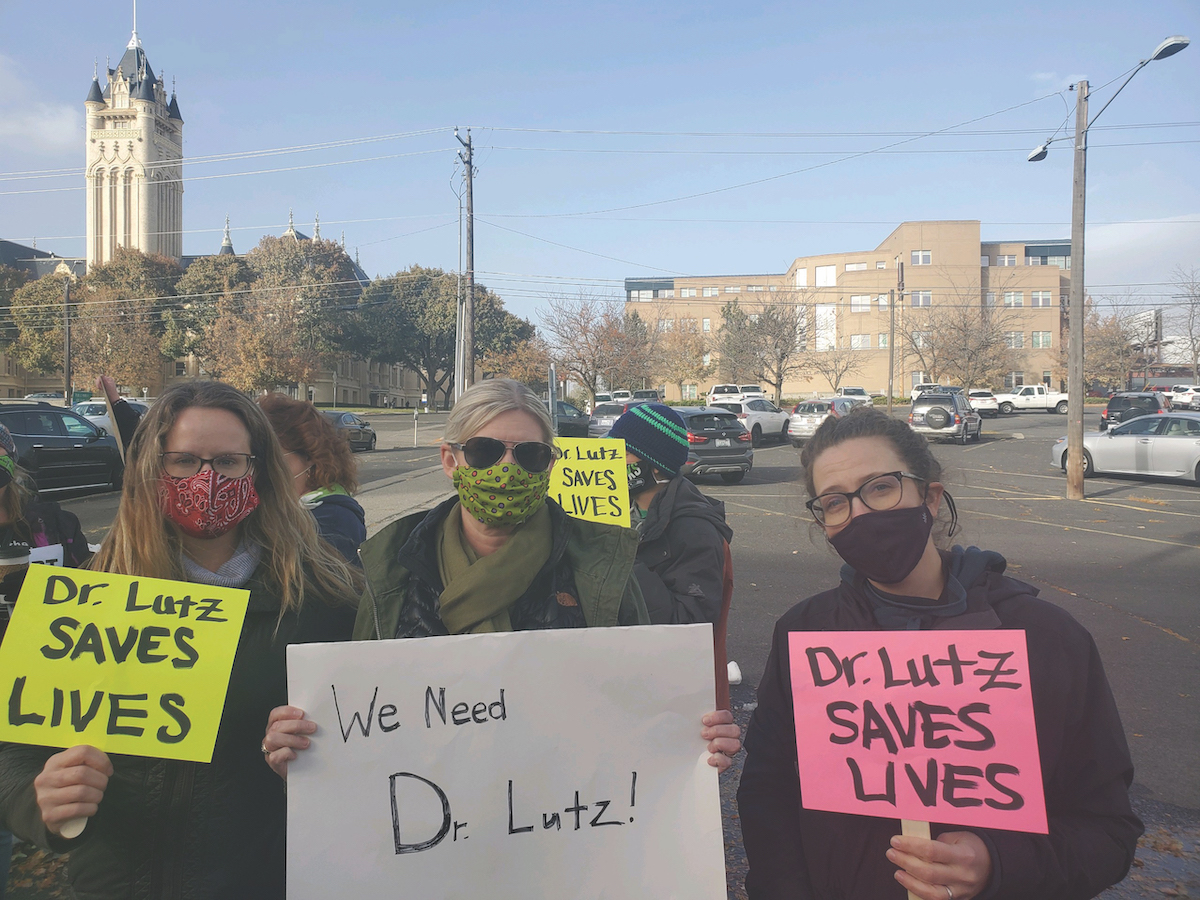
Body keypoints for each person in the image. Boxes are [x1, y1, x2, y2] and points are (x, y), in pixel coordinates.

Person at [737, 407, 1141, 900]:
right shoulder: (804, 632)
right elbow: (769, 793)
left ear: (929, 496)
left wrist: (999, 864)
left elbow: (1107, 833)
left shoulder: (1046, 638)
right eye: (836, 502)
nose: (860, 514)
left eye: (880, 487)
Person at [263, 378, 740, 776]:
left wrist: (690, 741)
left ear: (549, 465)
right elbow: (356, 723)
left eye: (529, 454)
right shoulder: (391, 567)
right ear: (450, 460)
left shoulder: (601, 567)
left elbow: (648, 699)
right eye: (485, 451)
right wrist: (309, 757)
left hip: (567, 819)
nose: (507, 468)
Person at [0, 381, 362, 900]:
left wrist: (315, 766)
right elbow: (12, 748)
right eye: (184, 461)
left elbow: (366, 753)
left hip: (263, 881)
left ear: (260, 469)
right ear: (151, 469)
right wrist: (38, 801)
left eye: (229, 462)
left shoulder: (329, 600)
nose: (207, 478)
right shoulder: (82, 599)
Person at [609, 403, 732, 624]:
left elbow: (690, 622)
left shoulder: (696, 532)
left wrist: (623, 560)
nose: (611, 462)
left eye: (623, 453)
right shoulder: (611, 511)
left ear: (656, 465)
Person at [258, 393, 367, 565]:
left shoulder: (332, 520)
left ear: (309, 456)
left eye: (274, 458)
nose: (264, 469)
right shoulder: (287, 506)